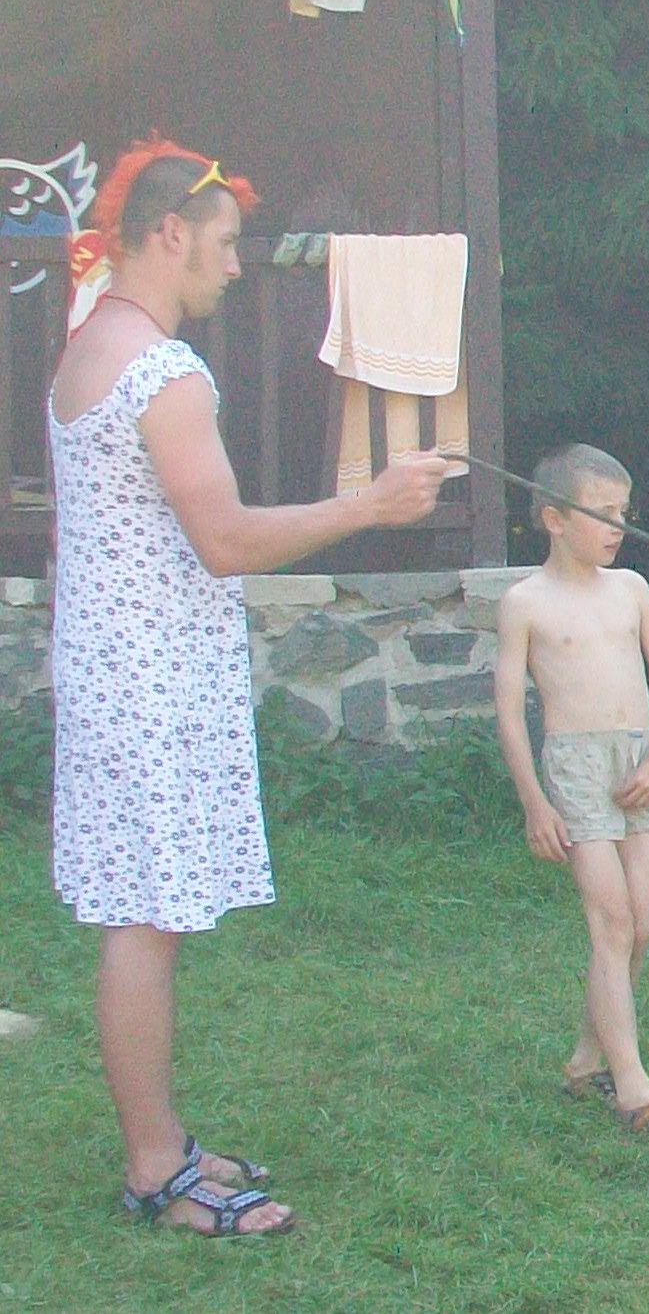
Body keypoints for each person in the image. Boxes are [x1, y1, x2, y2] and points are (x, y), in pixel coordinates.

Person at [51, 139, 451, 1236]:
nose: (236, 264)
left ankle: (162, 1137)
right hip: (148, 682)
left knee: (143, 917)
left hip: (114, 672)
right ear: (169, 232)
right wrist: (369, 505)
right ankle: (155, 1169)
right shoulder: (163, 371)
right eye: (225, 243)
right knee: (146, 923)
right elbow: (224, 540)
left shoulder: (88, 347)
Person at [494, 443, 649, 1139]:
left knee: (639, 926)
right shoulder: (525, 603)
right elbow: (509, 712)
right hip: (576, 768)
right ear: (554, 518)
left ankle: (585, 1060)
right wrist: (535, 801)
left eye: (623, 511)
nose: (617, 526)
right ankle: (635, 1093)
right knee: (611, 923)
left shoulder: (631, 589)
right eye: (602, 512)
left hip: (637, 765)